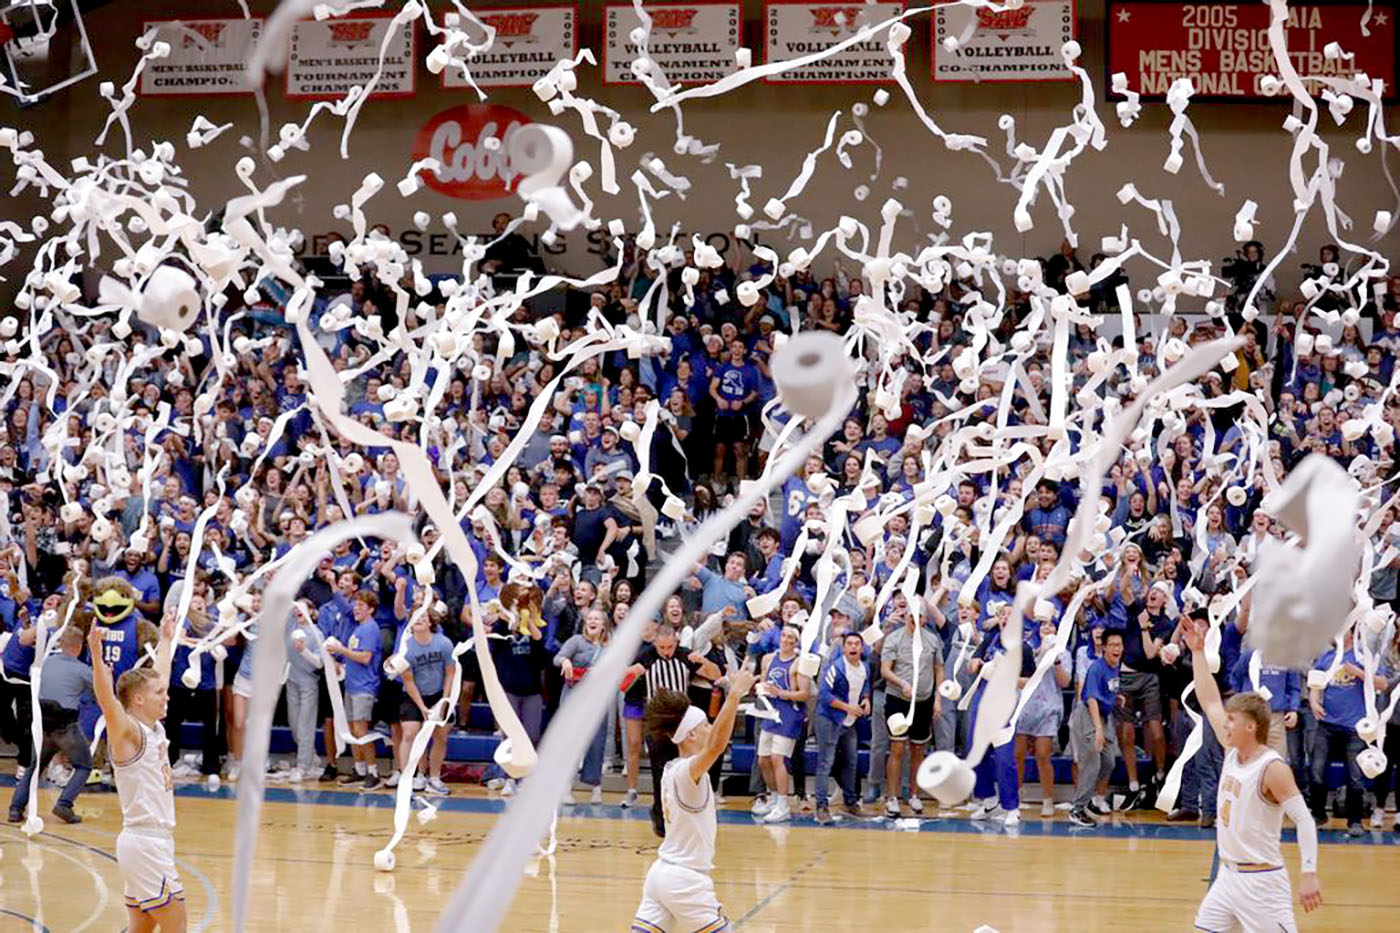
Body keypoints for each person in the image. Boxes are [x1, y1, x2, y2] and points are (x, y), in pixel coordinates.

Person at [1184, 618, 1323, 931]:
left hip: (1261, 883)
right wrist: (1197, 652)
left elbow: (1303, 819)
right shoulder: (1233, 751)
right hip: (1227, 878)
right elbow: (1208, 700)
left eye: (1232, 719)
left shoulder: (1272, 768)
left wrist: (1309, 872)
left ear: (1251, 726)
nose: (1226, 724)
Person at [630, 665, 759, 933]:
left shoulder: (671, 769)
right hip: (685, 881)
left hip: (660, 875)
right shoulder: (686, 772)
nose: (710, 729)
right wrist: (734, 695)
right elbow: (715, 745)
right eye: (705, 725)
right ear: (690, 734)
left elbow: (712, 743)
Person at [88, 613, 187, 932]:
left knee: (141, 928)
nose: (166, 695)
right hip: (145, 843)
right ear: (139, 699)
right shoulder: (128, 733)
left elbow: (158, 675)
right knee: (177, 924)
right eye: (160, 694)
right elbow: (108, 702)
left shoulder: (152, 726)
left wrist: (167, 640)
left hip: (150, 843)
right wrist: (95, 656)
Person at [8, 625, 92, 823]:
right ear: (79, 647)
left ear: (60, 644)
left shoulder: (43, 664)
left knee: (34, 767)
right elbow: (100, 694)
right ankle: (64, 804)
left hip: (43, 727)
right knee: (83, 765)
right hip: (66, 727)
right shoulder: (83, 670)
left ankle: (15, 808)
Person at [880, 603, 942, 818]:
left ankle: (914, 794)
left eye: (920, 617)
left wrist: (938, 699)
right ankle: (892, 797)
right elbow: (885, 669)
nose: (915, 620)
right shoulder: (894, 639)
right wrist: (902, 683)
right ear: (906, 616)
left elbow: (939, 669)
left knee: (918, 749)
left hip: (924, 700)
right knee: (897, 748)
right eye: (912, 616)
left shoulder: (932, 640)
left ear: (925, 619)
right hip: (898, 699)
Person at [751, 624, 810, 823]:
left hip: (789, 713)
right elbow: (765, 683)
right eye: (783, 635)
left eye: (790, 637)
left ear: (795, 641)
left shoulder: (799, 664)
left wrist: (781, 693)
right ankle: (774, 796)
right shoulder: (768, 659)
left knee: (778, 759)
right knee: (763, 760)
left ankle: (783, 804)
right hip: (770, 710)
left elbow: (804, 694)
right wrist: (761, 688)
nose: (785, 639)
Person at [327, 590, 383, 790]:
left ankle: (373, 772)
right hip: (352, 684)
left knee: (361, 730)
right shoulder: (359, 628)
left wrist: (341, 650)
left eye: (361, 606)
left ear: (371, 610)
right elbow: (354, 656)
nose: (356, 609)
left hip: (364, 686)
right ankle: (359, 769)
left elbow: (365, 657)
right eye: (355, 605)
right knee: (352, 730)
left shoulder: (369, 629)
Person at [814, 631, 871, 824]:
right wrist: (848, 708)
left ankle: (850, 802)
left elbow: (865, 685)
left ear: (862, 648)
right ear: (844, 648)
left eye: (857, 644)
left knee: (851, 761)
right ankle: (821, 806)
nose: (854, 647)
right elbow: (824, 695)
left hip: (850, 721)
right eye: (850, 644)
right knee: (825, 762)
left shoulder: (865, 668)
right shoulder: (836, 668)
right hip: (829, 719)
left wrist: (866, 699)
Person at [398, 612, 457, 795]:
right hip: (414, 695)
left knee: (440, 736)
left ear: (431, 621)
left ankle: (434, 778)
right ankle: (409, 776)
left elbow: (450, 673)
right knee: (410, 733)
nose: (419, 620)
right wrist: (422, 707)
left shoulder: (444, 643)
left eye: (423, 617)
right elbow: (408, 682)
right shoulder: (405, 649)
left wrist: (445, 701)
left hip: (440, 694)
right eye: (415, 617)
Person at [1070, 629, 1123, 826]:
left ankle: (1089, 797)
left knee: (1108, 762)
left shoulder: (1115, 666)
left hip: (1104, 715)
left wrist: (1115, 699)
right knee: (1092, 763)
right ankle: (1077, 808)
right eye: (1113, 645)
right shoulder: (1096, 668)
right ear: (1104, 648)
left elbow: (1105, 690)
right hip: (1090, 716)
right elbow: (1091, 698)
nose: (1117, 649)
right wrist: (1098, 728)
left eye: (1119, 645)